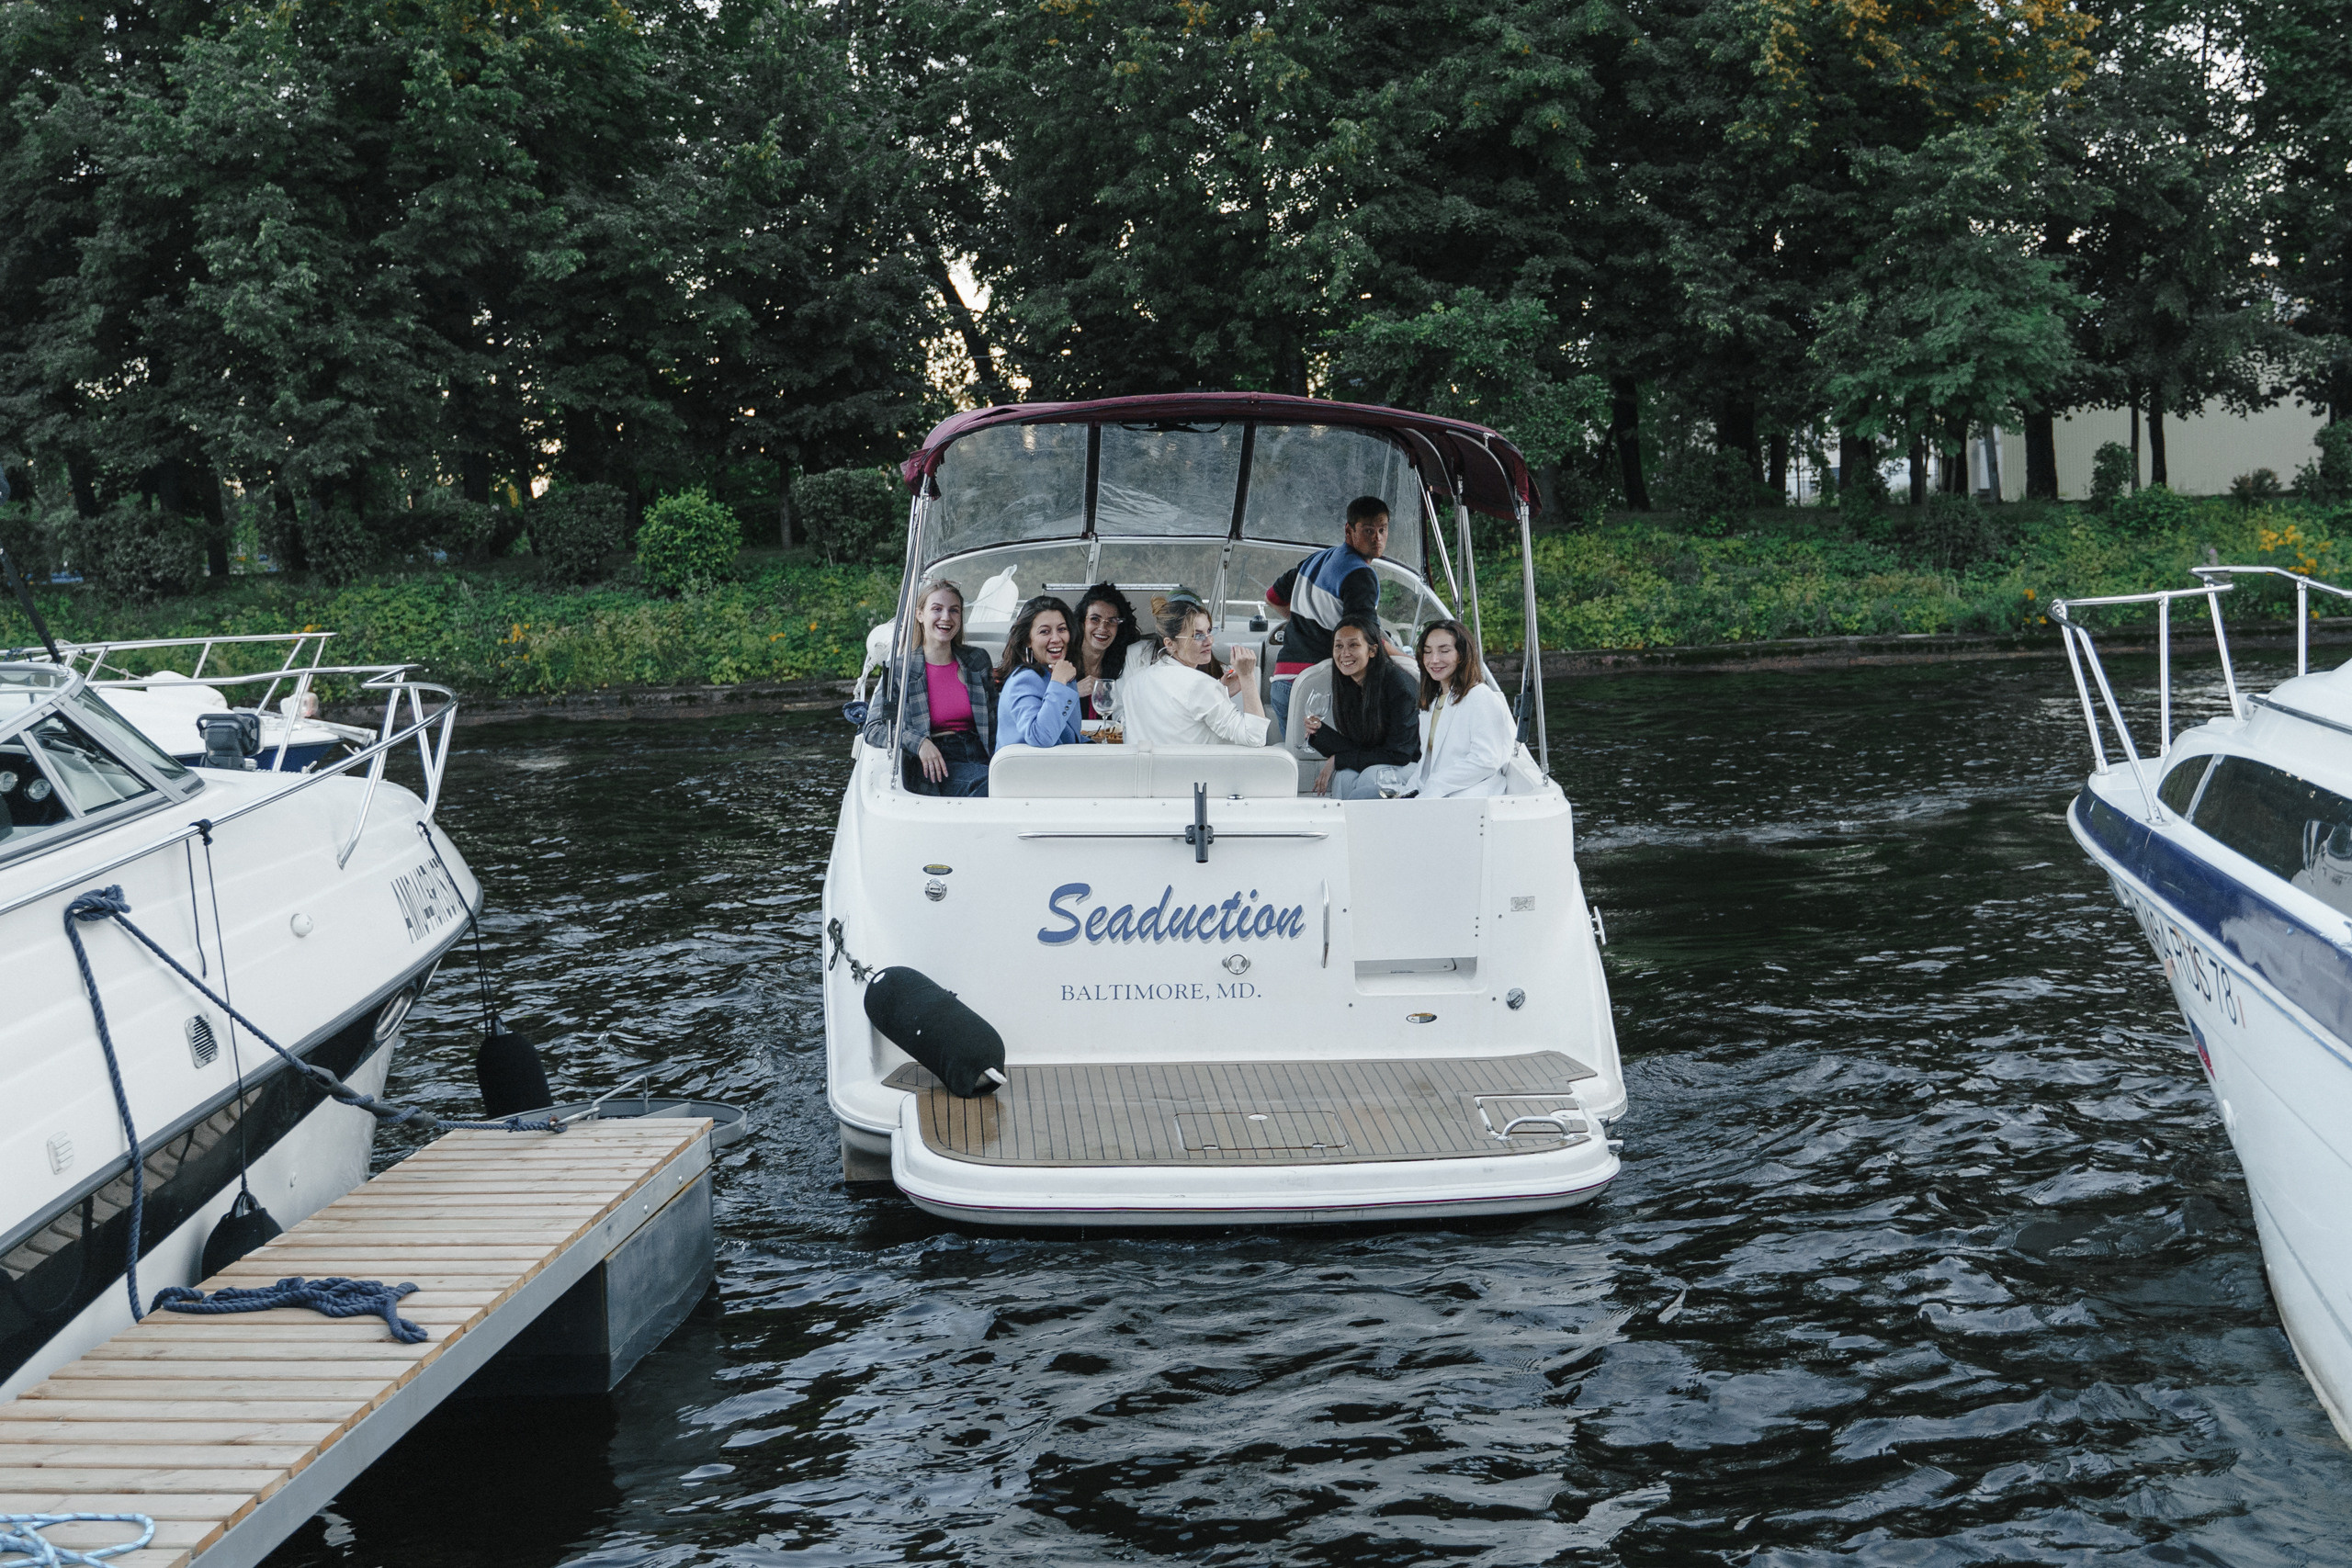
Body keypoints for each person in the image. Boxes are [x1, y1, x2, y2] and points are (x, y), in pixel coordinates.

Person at [1264, 495, 1389, 735]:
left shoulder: (1317, 559)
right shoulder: (1360, 574)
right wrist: (1410, 663)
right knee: (1331, 768)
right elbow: (1367, 637)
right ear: (1348, 530)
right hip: (1316, 686)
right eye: (1368, 530)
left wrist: (1303, 620)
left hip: (1282, 684)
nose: (1377, 538)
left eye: (1382, 530)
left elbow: (1273, 597)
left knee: (1298, 767)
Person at [860, 579, 995, 795]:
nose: (946, 617)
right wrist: (919, 743)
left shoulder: (977, 660)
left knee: (1019, 783)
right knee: (992, 785)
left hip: (982, 754)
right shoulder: (900, 670)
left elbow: (996, 719)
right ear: (920, 614)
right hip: (937, 763)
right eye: (937, 609)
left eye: (954, 610)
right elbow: (874, 727)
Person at [1117, 588, 1271, 749]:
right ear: (1170, 644)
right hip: (1199, 772)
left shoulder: (1133, 685)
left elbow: (1178, 719)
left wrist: (1221, 691)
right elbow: (1256, 737)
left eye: (1209, 631)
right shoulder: (1200, 685)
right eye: (1197, 635)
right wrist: (1247, 677)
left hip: (1150, 772)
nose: (1209, 641)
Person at [1304, 611, 1420, 798]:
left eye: (1353, 645)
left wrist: (1338, 759)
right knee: (1344, 775)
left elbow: (1400, 753)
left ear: (1372, 651)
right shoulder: (1350, 684)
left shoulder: (1400, 686)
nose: (1345, 653)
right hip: (1383, 760)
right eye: (1339, 646)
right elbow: (1360, 746)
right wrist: (1319, 733)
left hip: (1409, 766)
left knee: (1369, 777)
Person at [1402, 619, 1514, 797]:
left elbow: (1486, 760)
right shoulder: (1434, 699)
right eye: (1427, 652)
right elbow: (1428, 762)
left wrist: (1436, 786)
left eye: (1444, 651)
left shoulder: (1480, 696)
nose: (1434, 660)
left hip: (1467, 797)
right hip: (1436, 792)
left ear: (1461, 655)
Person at [996, 594, 1083, 750]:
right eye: (1045, 632)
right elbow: (1040, 736)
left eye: (1062, 629)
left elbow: (1069, 735)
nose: (1056, 638)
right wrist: (1058, 683)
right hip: (1030, 771)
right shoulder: (1024, 679)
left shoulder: (1056, 673)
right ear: (1028, 640)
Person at [1070, 582, 1140, 719]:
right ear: (1082, 622)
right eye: (1095, 619)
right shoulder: (1062, 660)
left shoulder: (1124, 664)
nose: (1103, 627)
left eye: (1112, 621)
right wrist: (1073, 692)